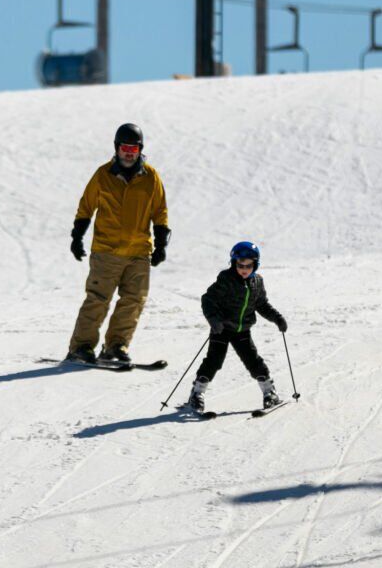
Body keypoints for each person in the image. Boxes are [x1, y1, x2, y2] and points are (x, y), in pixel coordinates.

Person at [67, 123, 169, 366]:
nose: (129, 152)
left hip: (139, 252)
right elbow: (86, 206)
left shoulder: (151, 177)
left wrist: (161, 244)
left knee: (133, 301)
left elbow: (160, 211)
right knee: (98, 299)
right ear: (116, 148)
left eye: (133, 148)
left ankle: (116, 346)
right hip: (106, 251)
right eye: (125, 147)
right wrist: (77, 237)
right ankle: (81, 347)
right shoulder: (103, 175)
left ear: (140, 150)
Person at [189, 241, 286, 415]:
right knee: (214, 361)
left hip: (242, 330)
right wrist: (214, 320)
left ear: (255, 265)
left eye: (248, 265)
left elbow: (262, 305)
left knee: (253, 361)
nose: (244, 269)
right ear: (234, 263)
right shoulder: (226, 279)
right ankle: (197, 393)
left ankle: (269, 392)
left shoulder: (257, 282)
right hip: (222, 329)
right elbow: (208, 299)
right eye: (240, 265)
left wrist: (277, 318)